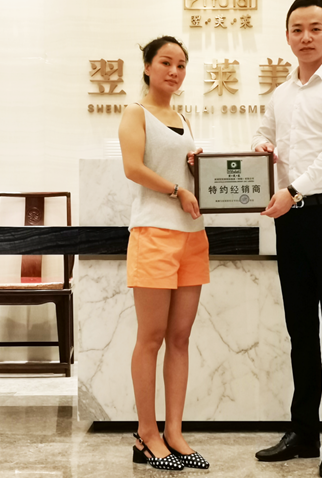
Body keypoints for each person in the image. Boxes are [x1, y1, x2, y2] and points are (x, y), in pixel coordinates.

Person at [251, 0, 322, 478]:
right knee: (300, 331)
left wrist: (293, 189)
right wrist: (262, 147)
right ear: (287, 36)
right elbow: (263, 133)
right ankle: (303, 433)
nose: (306, 37)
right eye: (297, 29)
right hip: (291, 220)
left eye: (315, 28)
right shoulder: (281, 94)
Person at [118, 35, 210, 472]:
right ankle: (146, 434)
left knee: (180, 338)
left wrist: (196, 168)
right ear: (148, 67)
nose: (174, 71)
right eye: (166, 63)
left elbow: (182, 170)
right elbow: (133, 168)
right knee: (150, 338)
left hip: (192, 235)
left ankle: (174, 432)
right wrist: (177, 189)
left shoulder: (183, 118)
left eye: (181, 65)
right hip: (153, 232)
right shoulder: (135, 113)